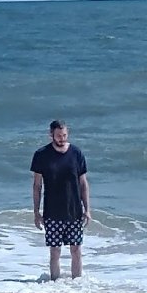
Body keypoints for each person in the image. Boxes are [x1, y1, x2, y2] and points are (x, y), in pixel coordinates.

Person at [31, 120, 91, 280]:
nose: (62, 139)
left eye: (64, 135)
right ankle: (54, 284)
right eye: (58, 136)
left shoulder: (76, 153)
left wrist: (88, 209)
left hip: (74, 210)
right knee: (55, 251)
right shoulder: (41, 155)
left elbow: (83, 183)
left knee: (76, 249)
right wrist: (36, 212)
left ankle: (78, 284)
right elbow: (37, 186)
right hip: (52, 211)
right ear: (51, 135)